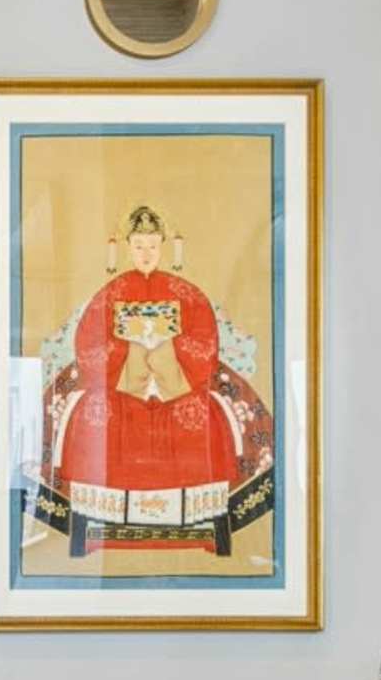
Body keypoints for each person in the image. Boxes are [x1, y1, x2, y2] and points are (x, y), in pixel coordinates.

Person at [42, 205, 266, 552]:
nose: (145, 254)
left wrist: (168, 350)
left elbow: (205, 341)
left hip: (177, 377)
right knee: (93, 416)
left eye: (152, 246)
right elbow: (88, 343)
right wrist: (128, 350)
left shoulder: (186, 293)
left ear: (163, 246)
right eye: (138, 246)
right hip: (121, 379)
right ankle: (95, 524)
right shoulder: (111, 293)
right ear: (127, 248)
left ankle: (205, 526)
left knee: (206, 417)